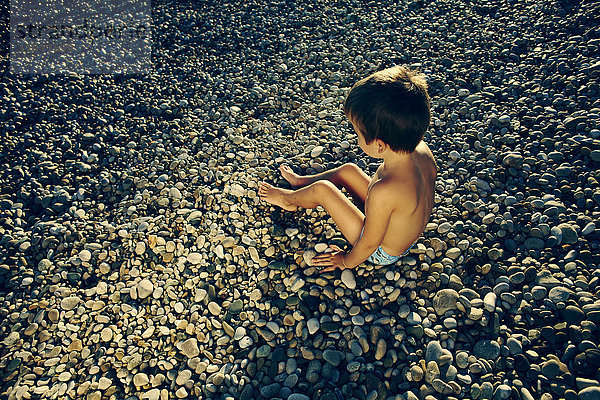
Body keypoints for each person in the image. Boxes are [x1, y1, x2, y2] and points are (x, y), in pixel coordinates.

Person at [258, 65, 437, 272]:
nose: (357, 138)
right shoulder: (421, 150)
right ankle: (300, 183)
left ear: (380, 146)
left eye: (358, 134)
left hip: (382, 250)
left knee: (323, 190)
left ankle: (287, 200)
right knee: (348, 171)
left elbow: (370, 243)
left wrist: (346, 261)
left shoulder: (385, 191)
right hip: (398, 225)